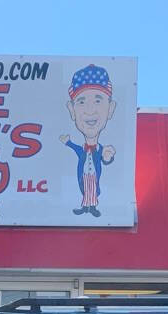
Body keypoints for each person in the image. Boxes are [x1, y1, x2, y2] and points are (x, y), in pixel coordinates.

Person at [59, 64, 117, 217]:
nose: (90, 110)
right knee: (86, 190)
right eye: (82, 102)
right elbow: (75, 148)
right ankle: (85, 207)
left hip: (93, 176)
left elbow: (105, 159)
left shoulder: (100, 149)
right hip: (85, 176)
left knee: (92, 190)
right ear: (72, 110)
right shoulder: (83, 149)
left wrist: (108, 157)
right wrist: (67, 142)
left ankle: (93, 208)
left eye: (98, 101)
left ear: (110, 108)